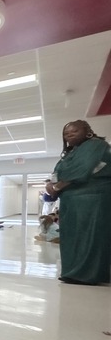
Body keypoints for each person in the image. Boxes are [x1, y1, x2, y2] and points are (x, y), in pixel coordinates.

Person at [45, 120, 111, 285]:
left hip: (90, 199)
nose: (69, 135)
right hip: (71, 201)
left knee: (88, 235)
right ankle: (73, 272)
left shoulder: (96, 145)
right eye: (66, 134)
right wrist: (49, 183)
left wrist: (57, 186)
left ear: (88, 131)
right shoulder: (71, 152)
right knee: (71, 236)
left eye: (74, 132)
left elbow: (83, 169)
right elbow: (57, 171)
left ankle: (87, 274)